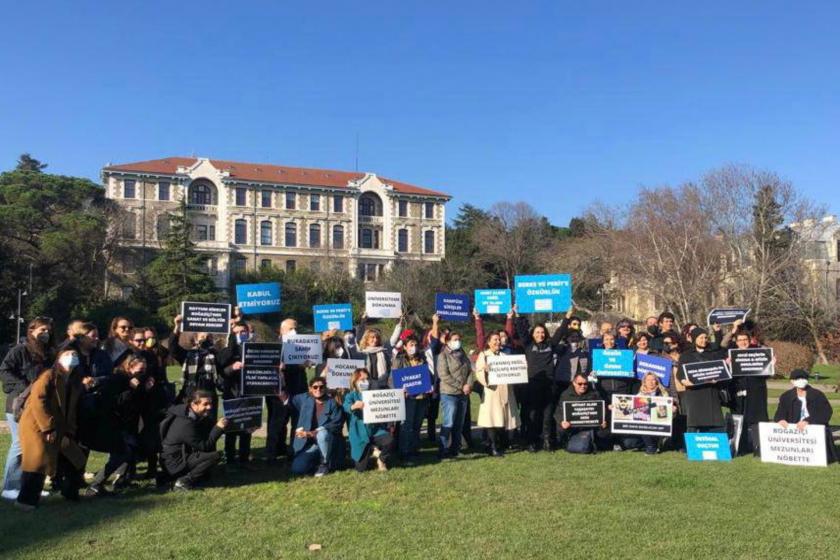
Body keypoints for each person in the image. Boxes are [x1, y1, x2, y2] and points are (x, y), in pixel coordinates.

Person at [15, 347, 86, 510]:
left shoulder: (75, 381)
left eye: (75, 354)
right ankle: (26, 501)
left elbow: (71, 409)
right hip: (37, 425)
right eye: (67, 354)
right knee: (36, 463)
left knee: (75, 458)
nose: (72, 357)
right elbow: (38, 401)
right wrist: (47, 428)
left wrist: (70, 431)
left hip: (60, 428)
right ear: (59, 358)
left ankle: (70, 493)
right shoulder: (48, 376)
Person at [85, 355, 157, 496]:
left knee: (128, 452)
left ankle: (120, 481)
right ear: (129, 367)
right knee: (123, 453)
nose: (143, 373)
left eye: (145, 369)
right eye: (140, 369)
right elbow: (114, 402)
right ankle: (95, 485)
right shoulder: (117, 380)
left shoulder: (138, 381)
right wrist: (131, 389)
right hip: (113, 423)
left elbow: (140, 403)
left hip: (128, 423)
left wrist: (146, 389)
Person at [1, 317, 53, 501]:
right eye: (42, 330)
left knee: (34, 446)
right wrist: (24, 387)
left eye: (48, 330)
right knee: (20, 444)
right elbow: (5, 371)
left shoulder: (48, 353)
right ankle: (10, 485)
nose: (46, 333)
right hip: (19, 404)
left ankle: (28, 485)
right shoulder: (19, 350)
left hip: (38, 405)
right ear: (31, 331)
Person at [514, 305, 566, 452]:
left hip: (549, 386)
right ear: (533, 334)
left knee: (547, 415)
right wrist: (517, 315)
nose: (540, 335)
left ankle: (547, 441)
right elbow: (522, 331)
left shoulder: (551, 344)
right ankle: (531, 441)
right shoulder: (528, 345)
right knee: (532, 415)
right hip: (531, 386)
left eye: (542, 332)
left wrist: (567, 317)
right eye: (537, 332)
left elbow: (560, 332)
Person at [159, 389, 228, 491]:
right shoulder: (186, 423)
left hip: (182, 455)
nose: (209, 407)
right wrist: (218, 428)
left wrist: (241, 427)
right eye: (205, 404)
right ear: (194, 405)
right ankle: (183, 481)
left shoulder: (193, 415)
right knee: (215, 456)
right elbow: (205, 446)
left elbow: (212, 429)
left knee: (206, 473)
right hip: (175, 462)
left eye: (210, 403)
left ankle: (171, 477)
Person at [722, 319, 769, 455]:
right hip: (737, 391)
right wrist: (727, 365)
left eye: (745, 339)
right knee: (738, 419)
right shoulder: (730, 354)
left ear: (749, 340)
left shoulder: (759, 352)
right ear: (736, 342)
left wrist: (769, 366)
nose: (742, 342)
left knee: (757, 420)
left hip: (756, 391)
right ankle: (738, 448)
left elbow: (766, 374)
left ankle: (759, 448)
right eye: (740, 340)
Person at [283, 377, 344, 477]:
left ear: (325, 388)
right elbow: (288, 400)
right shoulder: (304, 398)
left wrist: (312, 433)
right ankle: (316, 462)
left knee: (322, 434)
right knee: (297, 468)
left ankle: (324, 463)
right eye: (315, 387)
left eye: (321, 387)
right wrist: (280, 383)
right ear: (310, 388)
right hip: (311, 444)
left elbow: (337, 424)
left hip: (329, 442)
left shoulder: (332, 403)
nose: (318, 389)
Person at [217, 320, 257, 468]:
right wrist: (232, 367)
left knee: (247, 428)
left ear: (248, 332)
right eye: (237, 333)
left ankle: (244, 459)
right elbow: (221, 372)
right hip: (232, 394)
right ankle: (230, 460)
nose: (241, 335)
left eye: (243, 332)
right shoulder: (226, 351)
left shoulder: (254, 349)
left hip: (250, 393)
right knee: (231, 429)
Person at [774, 369, 836, 461]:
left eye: (804, 378)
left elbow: (826, 412)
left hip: (814, 429)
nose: (801, 380)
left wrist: (809, 421)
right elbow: (779, 413)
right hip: (795, 432)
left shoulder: (817, 395)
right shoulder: (786, 396)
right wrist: (781, 419)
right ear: (792, 381)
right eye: (798, 378)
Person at [475, 332, 520, 456]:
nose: (498, 342)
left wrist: (520, 369)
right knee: (492, 419)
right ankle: (492, 446)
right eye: (495, 340)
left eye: (499, 340)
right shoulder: (483, 355)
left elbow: (513, 371)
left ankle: (499, 444)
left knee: (503, 419)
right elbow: (478, 372)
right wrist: (486, 372)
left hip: (505, 390)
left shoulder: (505, 355)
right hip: (492, 392)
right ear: (489, 342)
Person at [392, 334, 433, 464]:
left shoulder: (422, 358)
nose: (414, 347)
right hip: (407, 398)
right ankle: (404, 452)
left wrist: (429, 385)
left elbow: (426, 374)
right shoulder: (399, 359)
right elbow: (392, 379)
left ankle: (414, 449)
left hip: (422, 397)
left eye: (415, 345)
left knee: (417, 425)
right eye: (411, 345)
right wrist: (399, 389)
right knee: (406, 426)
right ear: (404, 346)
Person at [677, 327, 727, 433]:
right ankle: (693, 447)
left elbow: (720, 370)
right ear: (694, 338)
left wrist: (717, 378)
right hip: (694, 394)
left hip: (711, 393)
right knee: (694, 423)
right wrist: (685, 381)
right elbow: (680, 374)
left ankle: (717, 445)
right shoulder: (686, 355)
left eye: (706, 337)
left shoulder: (713, 354)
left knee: (715, 421)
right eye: (701, 338)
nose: (704, 340)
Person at [343, 368, 393, 472]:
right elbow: (345, 406)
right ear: (355, 381)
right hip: (359, 435)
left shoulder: (373, 394)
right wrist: (353, 406)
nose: (364, 382)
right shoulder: (351, 395)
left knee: (389, 440)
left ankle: (381, 459)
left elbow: (389, 403)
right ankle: (372, 450)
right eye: (361, 379)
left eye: (367, 379)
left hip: (374, 431)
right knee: (361, 469)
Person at [168, 314, 220, 407]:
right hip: (191, 393)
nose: (205, 340)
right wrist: (177, 326)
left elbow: (228, 353)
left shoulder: (215, 355)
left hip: (208, 395)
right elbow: (173, 348)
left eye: (208, 337)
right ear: (196, 339)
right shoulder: (188, 355)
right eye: (202, 337)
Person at [436, 331, 473, 459]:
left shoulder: (462, 354)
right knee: (449, 422)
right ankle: (443, 449)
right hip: (449, 394)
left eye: (459, 339)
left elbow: (469, 370)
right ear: (447, 341)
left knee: (459, 423)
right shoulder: (443, 356)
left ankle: (455, 449)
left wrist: (468, 384)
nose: (457, 341)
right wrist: (460, 386)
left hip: (463, 394)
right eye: (454, 339)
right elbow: (444, 375)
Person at [555, 372, 608, 454]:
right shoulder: (566, 395)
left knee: (604, 430)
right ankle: (565, 442)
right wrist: (562, 422)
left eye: (585, 384)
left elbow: (602, 409)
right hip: (573, 428)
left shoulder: (594, 394)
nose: (583, 386)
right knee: (561, 428)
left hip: (590, 426)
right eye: (580, 384)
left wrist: (603, 420)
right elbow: (558, 411)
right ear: (574, 383)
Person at [636, 372, 677, 455]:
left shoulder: (664, 393)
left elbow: (669, 410)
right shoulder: (639, 395)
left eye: (653, 380)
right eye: (648, 380)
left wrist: (672, 409)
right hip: (646, 422)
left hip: (660, 421)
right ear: (644, 382)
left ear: (657, 381)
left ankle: (655, 445)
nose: (651, 382)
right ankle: (651, 447)